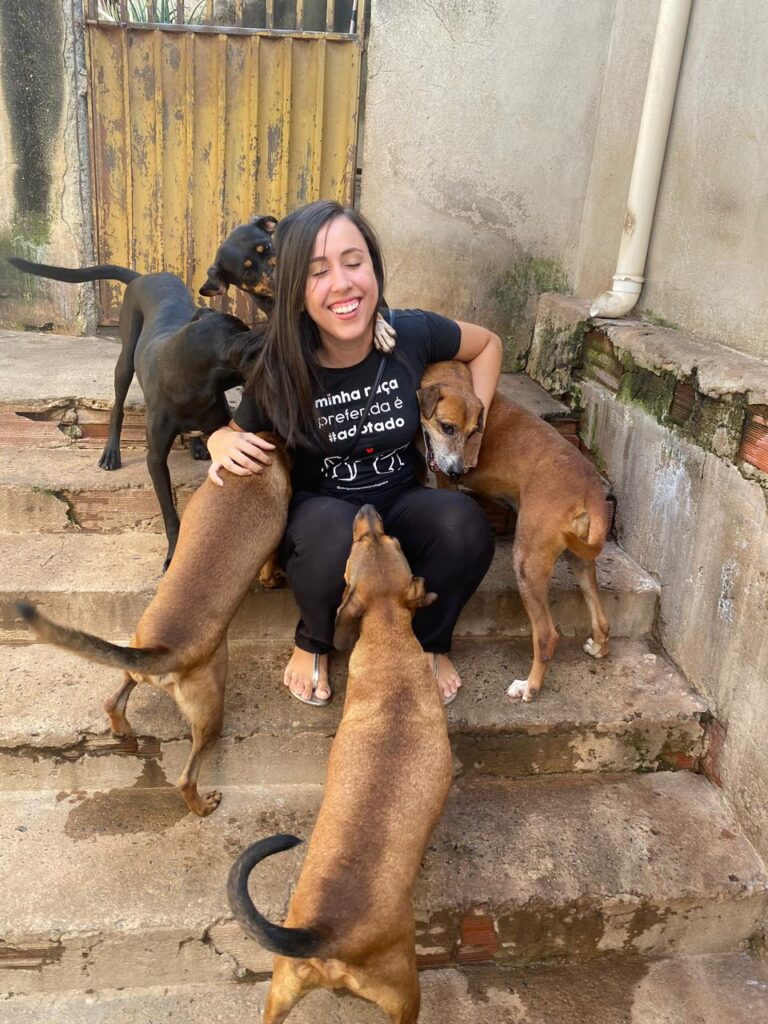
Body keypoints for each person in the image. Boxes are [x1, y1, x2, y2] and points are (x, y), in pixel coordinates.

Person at [206, 200, 501, 707]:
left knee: (467, 525)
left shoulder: (410, 333)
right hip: (323, 508)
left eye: (353, 262)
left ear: (375, 270)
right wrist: (218, 439)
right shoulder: (283, 360)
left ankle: (429, 641)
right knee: (326, 538)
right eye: (318, 271)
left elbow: (487, 345)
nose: (342, 284)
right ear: (295, 288)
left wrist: (476, 421)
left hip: (401, 499)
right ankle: (313, 640)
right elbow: (234, 431)